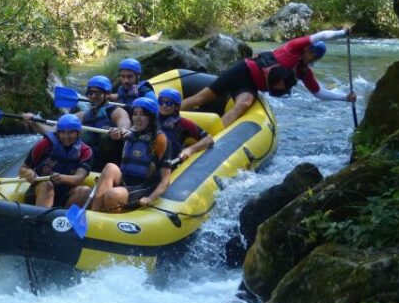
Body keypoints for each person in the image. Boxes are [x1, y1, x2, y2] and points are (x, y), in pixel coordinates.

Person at [180, 28, 358, 128]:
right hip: (242, 70)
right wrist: (341, 33)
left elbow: (318, 92)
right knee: (202, 98)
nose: (312, 57)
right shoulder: (294, 47)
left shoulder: (304, 72)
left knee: (243, 104)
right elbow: (320, 36)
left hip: (250, 86)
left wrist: (344, 98)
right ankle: (168, 116)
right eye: (312, 52)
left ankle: (214, 135)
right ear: (307, 48)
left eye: (316, 57)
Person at [24, 76, 130, 171]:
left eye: (97, 93)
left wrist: (120, 131)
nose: (93, 96)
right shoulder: (81, 116)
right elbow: (53, 132)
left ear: (106, 94)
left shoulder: (116, 112)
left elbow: (125, 125)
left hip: (108, 168)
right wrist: (34, 122)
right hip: (84, 167)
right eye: (90, 93)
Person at [90, 96, 173, 212]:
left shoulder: (160, 139)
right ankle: (93, 214)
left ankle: (108, 222)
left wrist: (150, 198)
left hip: (145, 186)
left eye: (143, 114)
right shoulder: (130, 134)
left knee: (113, 194)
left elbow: (166, 179)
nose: (137, 119)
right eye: (135, 114)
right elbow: (122, 132)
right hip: (126, 180)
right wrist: (113, 136)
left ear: (151, 118)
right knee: (110, 167)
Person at [18, 114, 93, 208]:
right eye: (63, 132)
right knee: (47, 185)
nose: (66, 136)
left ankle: (63, 220)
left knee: (85, 191)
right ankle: (41, 220)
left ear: (78, 132)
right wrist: (28, 173)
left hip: (65, 194)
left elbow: (78, 178)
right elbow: (23, 169)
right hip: (39, 191)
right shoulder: (44, 144)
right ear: (58, 133)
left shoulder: (86, 151)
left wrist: (62, 178)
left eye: (71, 132)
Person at [156, 88, 215, 161]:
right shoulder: (150, 119)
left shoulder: (184, 123)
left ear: (177, 107)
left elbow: (209, 139)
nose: (164, 105)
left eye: (169, 103)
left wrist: (190, 149)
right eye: (161, 102)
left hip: (171, 163)